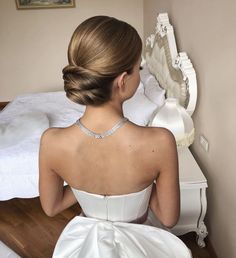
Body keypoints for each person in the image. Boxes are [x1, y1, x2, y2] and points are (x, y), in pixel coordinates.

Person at [39, 16, 191, 258]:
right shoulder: (160, 142)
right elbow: (168, 218)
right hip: (141, 241)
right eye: (138, 68)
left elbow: (51, 207)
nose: (139, 75)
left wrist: (83, 185)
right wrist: (141, 185)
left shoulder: (51, 141)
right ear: (122, 80)